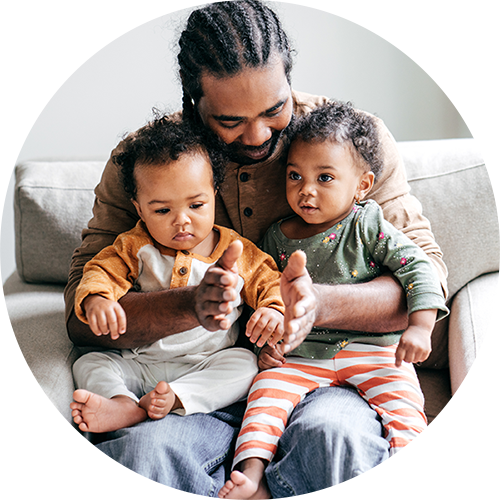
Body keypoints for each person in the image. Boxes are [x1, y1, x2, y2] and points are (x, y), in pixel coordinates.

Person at [64, 1, 448, 498]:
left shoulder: (348, 144)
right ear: (193, 103)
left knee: (333, 439)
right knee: (145, 455)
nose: (259, 134)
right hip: (188, 383)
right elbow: (79, 315)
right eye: (230, 121)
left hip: (320, 371)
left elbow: (428, 276)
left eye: (275, 110)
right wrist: (188, 305)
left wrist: (315, 304)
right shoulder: (148, 163)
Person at [219, 101, 448, 500]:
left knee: (404, 401)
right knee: (265, 396)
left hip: (372, 350)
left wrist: (421, 326)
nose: (306, 190)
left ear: (361, 184)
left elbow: (419, 268)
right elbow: (263, 298)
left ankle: (410, 480)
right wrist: (267, 343)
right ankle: (252, 477)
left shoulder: (368, 223)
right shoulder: (275, 238)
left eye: (325, 178)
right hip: (303, 355)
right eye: (295, 176)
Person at [70, 116, 287, 433]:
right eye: (162, 210)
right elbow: (101, 271)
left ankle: (179, 398)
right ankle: (123, 404)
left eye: (196, 205)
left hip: (208, 362)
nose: (181, 221)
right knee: (88, 363)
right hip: (141, 362)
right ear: (140, 208)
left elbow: (270, 282)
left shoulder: (237, 250)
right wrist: (97, 299)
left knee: (244, 364)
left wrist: (272, 310)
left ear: (214, 194)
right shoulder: (134, 246)